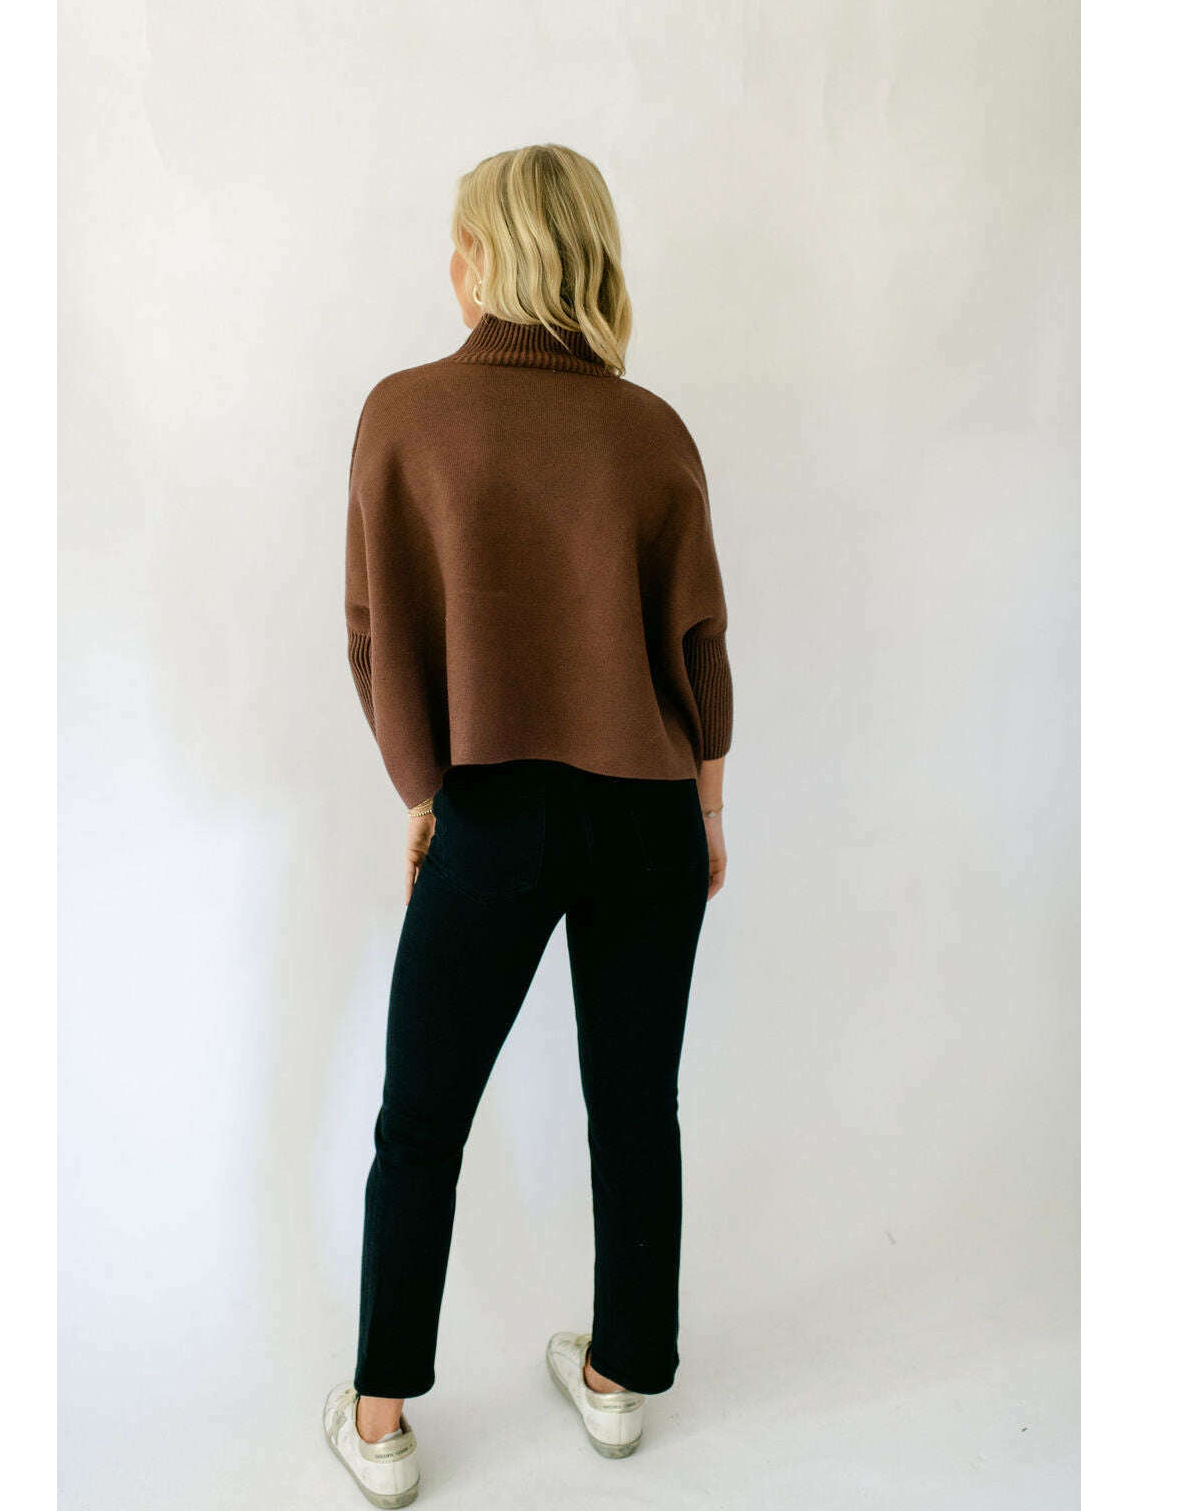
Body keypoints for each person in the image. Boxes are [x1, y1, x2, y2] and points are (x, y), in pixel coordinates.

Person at [323, 143, 734, 1508]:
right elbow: (698, 645)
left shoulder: (406, 414)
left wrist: (427, 793)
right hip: (649, 809)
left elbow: (379, 636)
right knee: (636, 1106)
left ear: (480, 258)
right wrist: (705, 812)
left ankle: (381, 1423)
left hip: (492, 810)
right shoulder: (652, 429)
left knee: (421, 1121)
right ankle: (620, 1381)